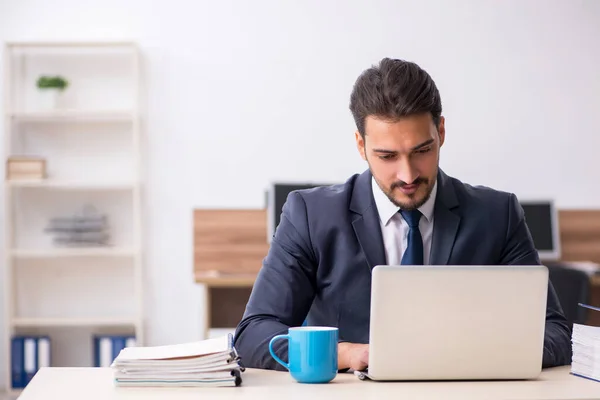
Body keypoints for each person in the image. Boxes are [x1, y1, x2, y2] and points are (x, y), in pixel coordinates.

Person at [233, 57, 572, 372]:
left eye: (421, 151)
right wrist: (349, 354)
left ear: (440, 131)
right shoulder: (310, 215)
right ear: (361, 145)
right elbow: (254, 335)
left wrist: (469, 353)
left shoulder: (498, 215)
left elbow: (555, 332)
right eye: (387, 156)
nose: (408, 175)